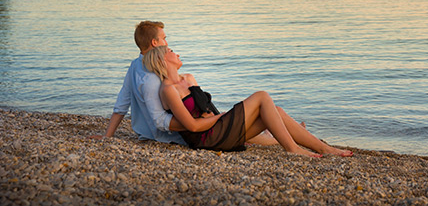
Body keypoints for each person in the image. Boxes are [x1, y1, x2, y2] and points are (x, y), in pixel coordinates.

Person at [143, 45, 354, 157]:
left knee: (276, 111)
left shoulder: (188, 78)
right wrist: (223, 117)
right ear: (162, 59)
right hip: (206, 139)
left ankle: (323, 148)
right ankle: (292, 149)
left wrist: (225, 118)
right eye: (171, 51)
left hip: (218, 128)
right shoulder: (168, 90)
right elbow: (192, 125)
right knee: (262, 96)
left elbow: (207, 108)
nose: (177, 53)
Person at [91, 21, 275, 146]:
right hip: (170, 136)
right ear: (155, 43)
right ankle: (273, 135)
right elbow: (160, 121)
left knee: (236, 123)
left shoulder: (135, 65)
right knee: (237, 126)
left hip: (148, 132)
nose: (167, 42)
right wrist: (201, 122)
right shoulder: (153, 76)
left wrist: (108, 136)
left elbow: (122, 103)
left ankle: (272, 133)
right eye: (164, 38)